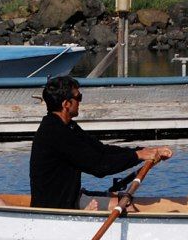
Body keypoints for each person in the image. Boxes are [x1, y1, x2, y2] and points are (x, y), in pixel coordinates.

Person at [29, 75, 173, 210]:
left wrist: (143, 150)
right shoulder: (56, 133)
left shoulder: (68, 127)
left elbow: (102, 150)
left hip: (71, 197)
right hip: (57, 206)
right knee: (128, 206)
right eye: (78, 97)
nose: (80, 101)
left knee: (124, 198)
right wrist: (138, 156)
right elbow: (100, 166)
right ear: (66, 104)